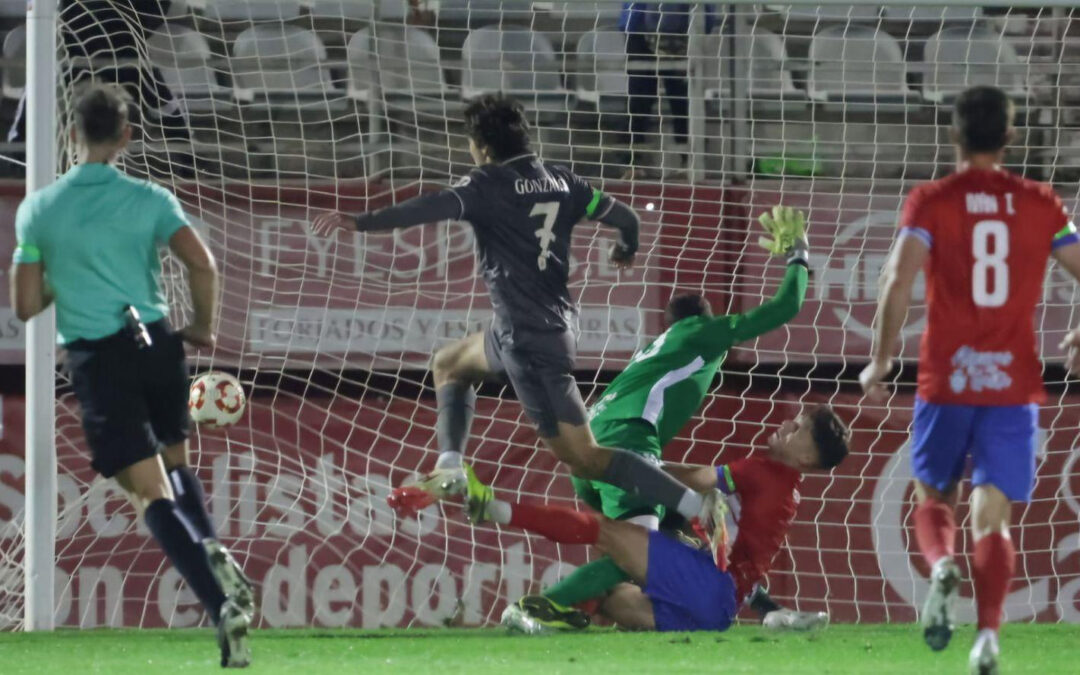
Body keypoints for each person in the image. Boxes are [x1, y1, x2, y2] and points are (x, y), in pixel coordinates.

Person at [313, 94, 737, 555]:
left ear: (482, 146)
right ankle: (451, 463)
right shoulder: (562, 181)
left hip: (528, 343)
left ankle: (697, 505)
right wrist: (626, 247)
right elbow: (627, 218)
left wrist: (359, 221)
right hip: (540, 329)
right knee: (451, 363)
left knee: (588, 458)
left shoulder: (484, 185)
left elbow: (427, 207)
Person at [10, 85, 252, 667]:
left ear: (73, 135)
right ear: (126, 137)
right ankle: (211, 541)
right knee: (175, 466)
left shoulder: (40, 209)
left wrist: (61, 277)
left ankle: (219, 600)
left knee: (147, 492)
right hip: (158, 345)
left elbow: (23, 304)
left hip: (101, 356)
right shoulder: (150, 198)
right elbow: (202, 263)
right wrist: (201, 327)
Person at [494, 205, 814, 632]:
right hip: (629, 442)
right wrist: (799, 253)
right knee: (644, 549)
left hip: (590, 443)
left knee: (666, 538)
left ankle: (587, 610)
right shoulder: (701, 334)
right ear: (703, 317)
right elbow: (785, 307)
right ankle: (531, 610)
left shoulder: (656, 349)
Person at [859, 85, 1080, 675]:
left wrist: (881, 360)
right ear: (1010, 137)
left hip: (946, 378)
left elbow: (898, 281)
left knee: (934, 497)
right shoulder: (1042, 203)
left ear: (953, 135)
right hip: (1011, 385)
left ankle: (940, 565)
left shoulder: (932, 201)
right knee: (994, 516)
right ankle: (986, 638)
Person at [461, 406, 849, 633]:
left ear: (808, 458)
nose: (785, 425)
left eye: (797, 429)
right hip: (718, 611)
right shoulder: (786, 485)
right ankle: (551, 616)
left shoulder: (762, 471)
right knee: (610, 599)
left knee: (608, 532)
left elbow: (693, 479)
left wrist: (636, 466)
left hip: (707, 583)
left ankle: (493, 512)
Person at [618, 2, 716, 181]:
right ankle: (632, 164)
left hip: (682, 25)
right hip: (646, 25)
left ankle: (690, 163)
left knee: (682, 100)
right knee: (644, 99)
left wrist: (705, 22)